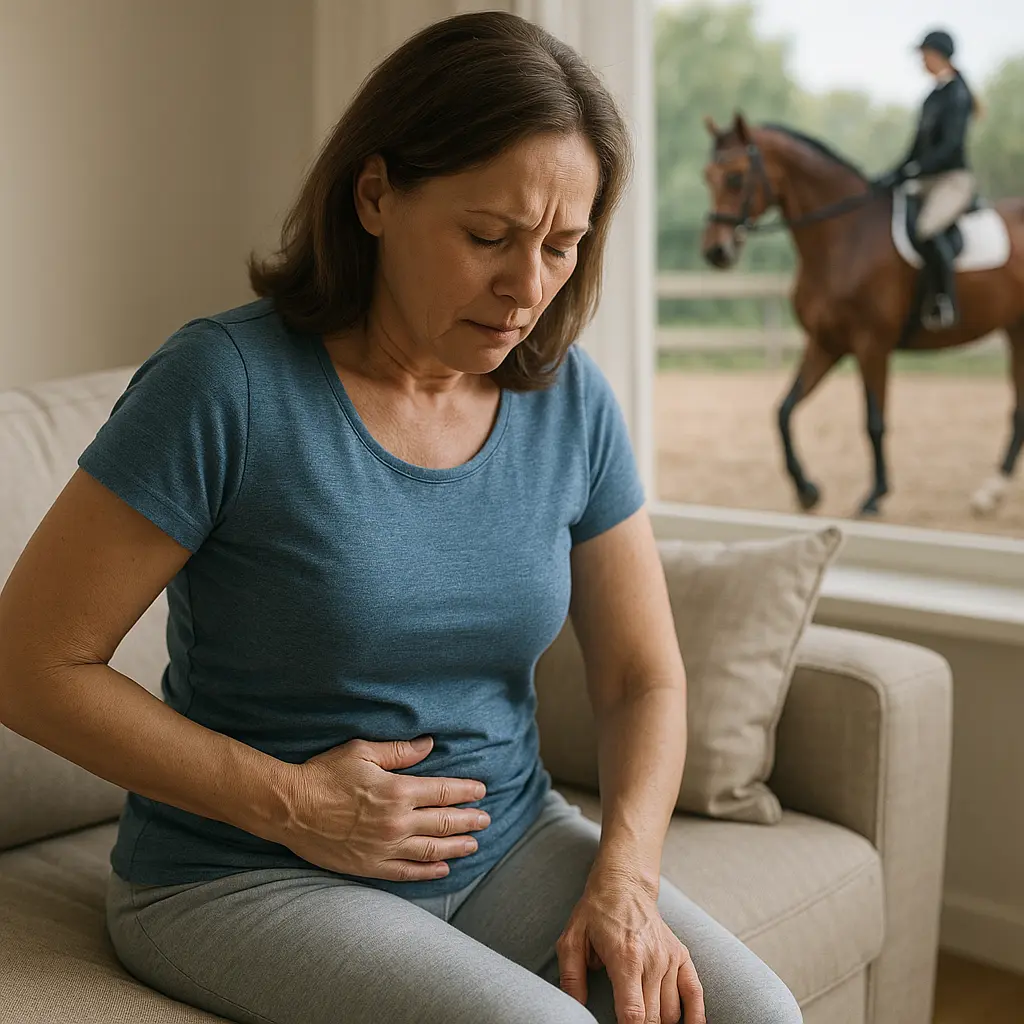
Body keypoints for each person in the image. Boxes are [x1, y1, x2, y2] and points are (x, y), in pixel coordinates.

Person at [0, 12, 802, 1024]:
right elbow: (27, 663)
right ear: (375, 194)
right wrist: (296, 804)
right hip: (244, 873)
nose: (527, 288)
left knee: (756, 1017)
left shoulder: (569, 401)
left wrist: (626, 879)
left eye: (562, 245)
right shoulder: (224, 384)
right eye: (487, 237)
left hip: (508, 842)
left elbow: (643, 677)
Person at [874, 28, 979, 329]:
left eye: (924, 55)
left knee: (926, 229)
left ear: (936, 55)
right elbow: (916, 148)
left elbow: (950, 147)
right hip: (926, 178)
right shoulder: (932, 96)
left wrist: (914, 170)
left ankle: (945, 301)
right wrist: (894, 173)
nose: (921, 61)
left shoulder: (958, 94)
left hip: (952, 180)